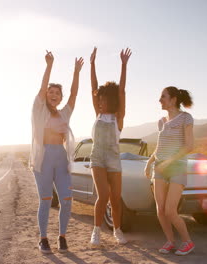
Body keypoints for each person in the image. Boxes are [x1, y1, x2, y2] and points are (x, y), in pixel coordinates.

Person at [30, 50, 84, 254]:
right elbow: (42, 88)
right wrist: (49, 65)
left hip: (61, 159)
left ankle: (62, 236)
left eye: (57, 93)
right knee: (45, 200)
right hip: (43, 158)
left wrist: (77, 71)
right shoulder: (39, 109)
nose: (54, 95)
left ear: (60, 98)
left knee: (67, 200)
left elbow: (74, 94)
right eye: (51, 92)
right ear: (46, 96)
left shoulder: (64, 113)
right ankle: (43, 238)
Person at [144, 86, 195, 256]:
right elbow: (160, 147)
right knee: (160, 210)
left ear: (173, 99)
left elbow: (189, 146)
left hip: (177, 167)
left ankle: (187, 242)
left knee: (170, 210)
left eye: (163, 97)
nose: (160, 100)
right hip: (159, 167)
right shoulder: (161, 121)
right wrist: (149, 162)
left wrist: (168, 163)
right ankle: (170, 241)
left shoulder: (185, 118)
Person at [89, 47, 132, 246]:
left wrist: (123, 65)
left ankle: (117, 230)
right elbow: (93, 88)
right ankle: (96, 231)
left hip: (114, 158)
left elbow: (122, 90)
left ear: (112, 100)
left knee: (115, 198)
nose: (100, 101)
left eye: (104, 99)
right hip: (97, 157)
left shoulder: (118, 117)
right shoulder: (97, 114)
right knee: (103, 195)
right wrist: (92, 64)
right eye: (99, 99)